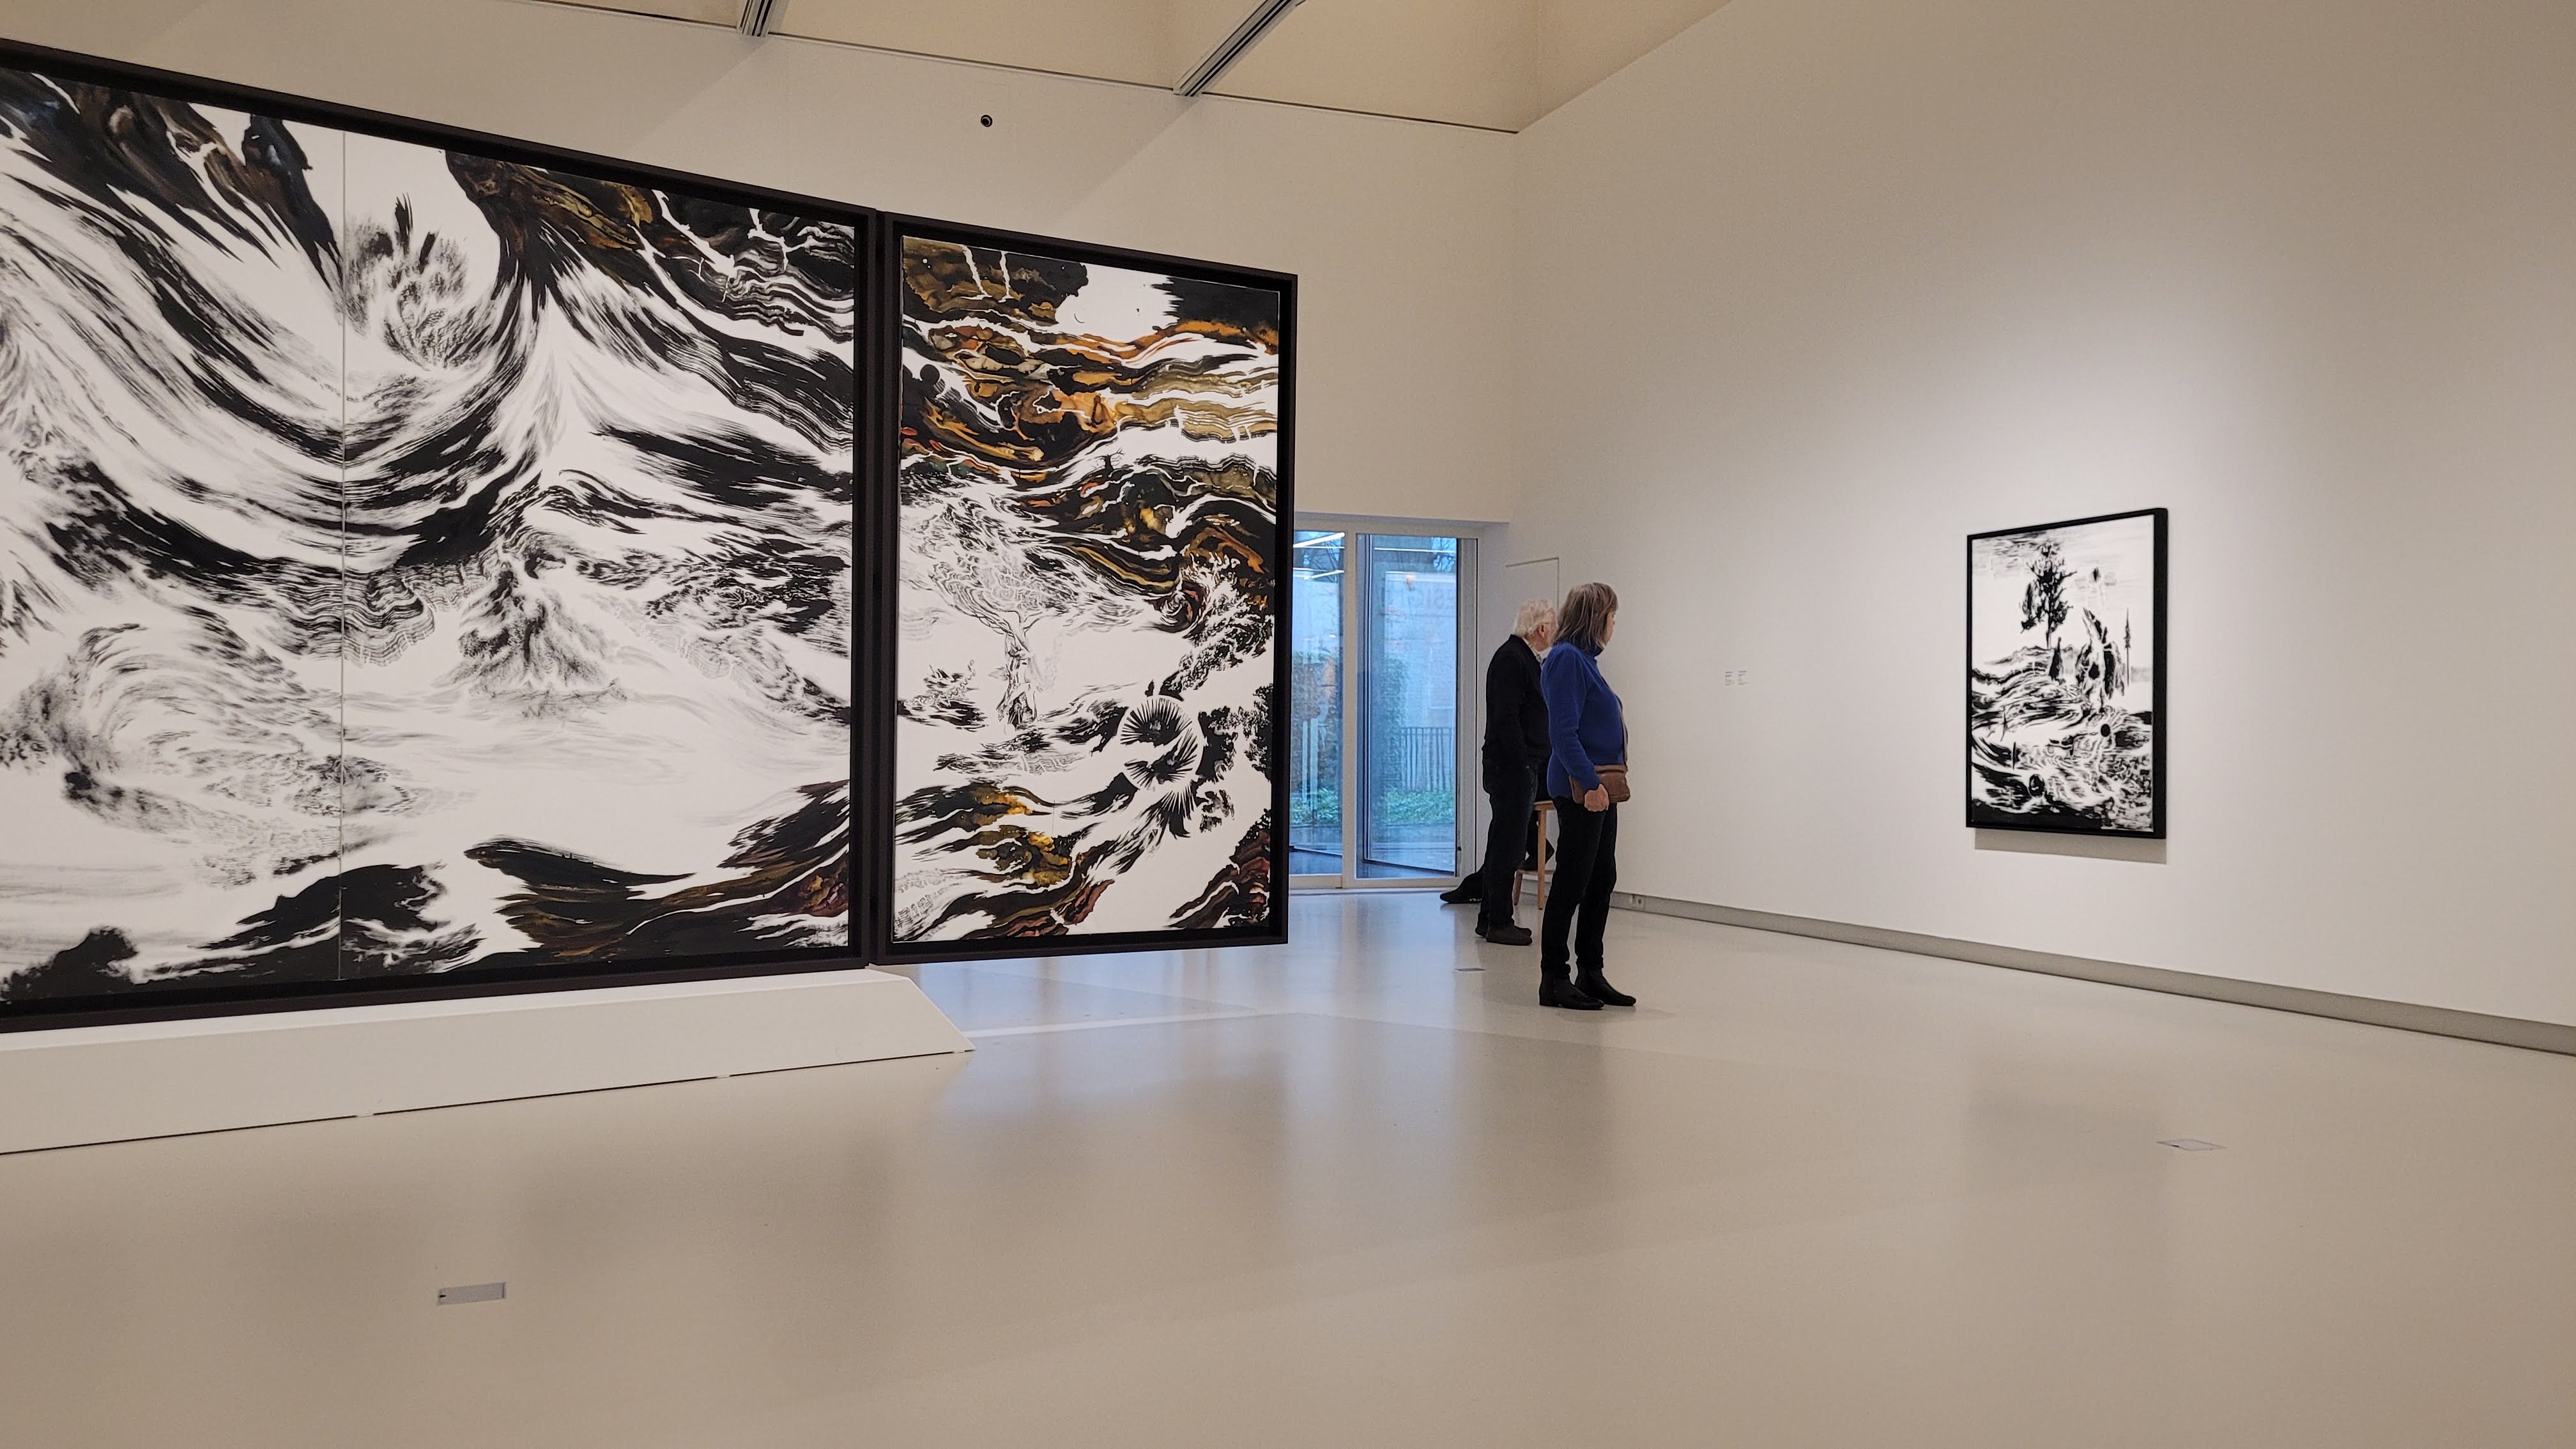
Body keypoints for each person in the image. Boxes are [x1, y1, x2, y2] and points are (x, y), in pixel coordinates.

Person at [1536, 582, 1634, 1009]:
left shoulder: (1585, 663)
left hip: (1600, 789)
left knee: (1601, 878)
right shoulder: (1566, 660)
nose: (1614, 625)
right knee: (1573, 882)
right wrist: (1590, 784)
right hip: (1582, 789)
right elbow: (1563, 732)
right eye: (1612, 617)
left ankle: (1591, 971)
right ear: (1597, 619)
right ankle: (1554, 977)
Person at [1438, 599, 1556, 944]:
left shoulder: (1520, 658)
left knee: (1505, 843)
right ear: (1542, 629)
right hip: (1513, 767)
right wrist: (1523, 764)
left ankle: (1489, 917)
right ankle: (1499, 921)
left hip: (1518, 766)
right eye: (1553, 626)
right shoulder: (1512, 659)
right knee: (1509, 847)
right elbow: (1507, 720)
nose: (1555, 633)